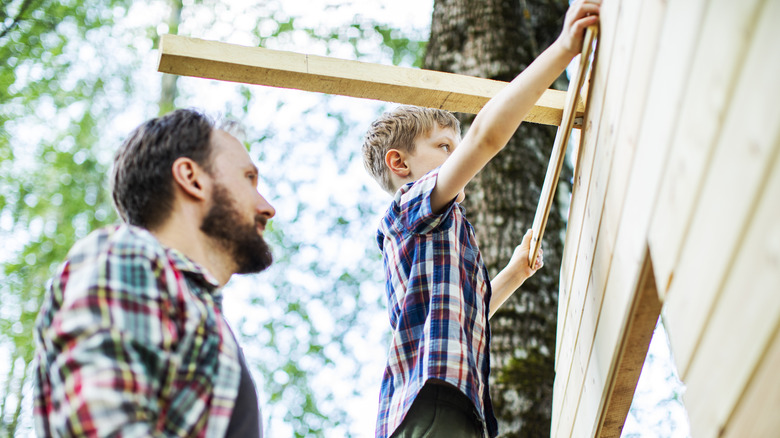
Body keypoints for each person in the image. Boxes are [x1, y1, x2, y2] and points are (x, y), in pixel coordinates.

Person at [361, 1, 600, 437]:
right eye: (444, 147)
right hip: (430, 400)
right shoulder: (412, 208)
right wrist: (564, 49)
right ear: (400, 164)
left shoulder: (436, 231)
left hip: (449, 402)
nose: (457, 155)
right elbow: (487, 137)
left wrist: (512, 275)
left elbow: (466, 318)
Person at [33, 108, 275, 437]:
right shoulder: (128, 254)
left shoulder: (200, 316)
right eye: (248, 178)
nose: (267, 207)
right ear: (192, 178)